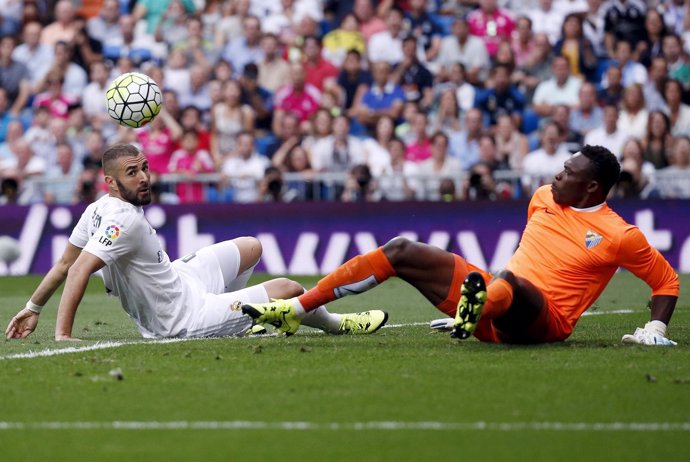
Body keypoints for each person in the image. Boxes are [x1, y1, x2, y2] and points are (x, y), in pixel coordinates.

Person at [240, 145, 679, 347]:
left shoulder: (620, 234)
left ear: (592, 188)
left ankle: (477, 308)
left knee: (513, 283)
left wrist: (655, 330)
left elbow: (666, 280)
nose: (556, 176)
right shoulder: (543, 197)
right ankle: (296, 312)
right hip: (492, 300)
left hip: (541, 323)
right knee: (401, 249)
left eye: (568, 173)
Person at [5, 144, 388, 341]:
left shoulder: (99, 208)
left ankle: (244, 321)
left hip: (181, 280)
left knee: (251, 246)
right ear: (110, 182)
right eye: (132, 173)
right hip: (181, 320)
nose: (143, 178)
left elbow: (61, 264)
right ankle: (338, 325)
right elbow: (74, 270)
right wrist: (62, 335)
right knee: (288, 288)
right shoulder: (120, 218)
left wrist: (32, 306)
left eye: (144, 168)